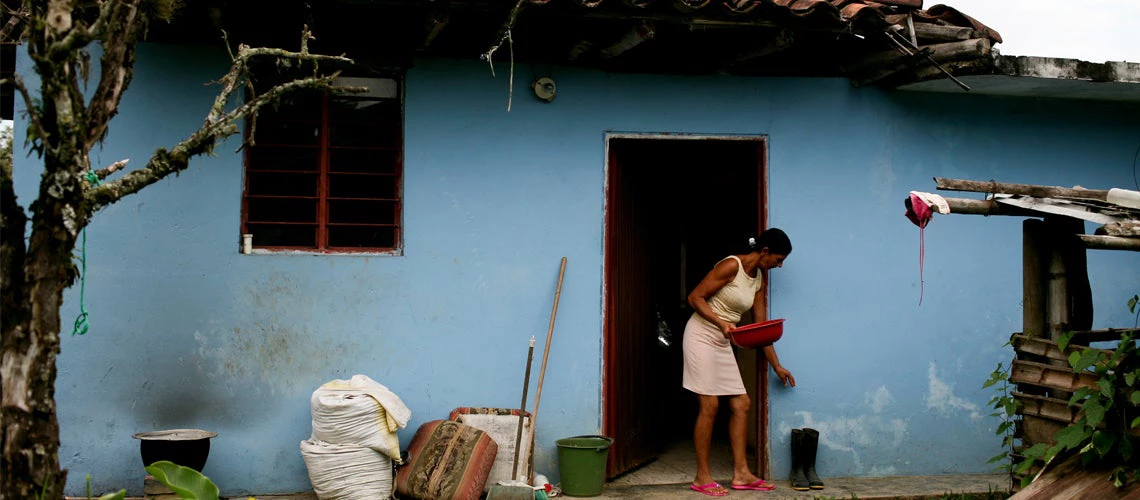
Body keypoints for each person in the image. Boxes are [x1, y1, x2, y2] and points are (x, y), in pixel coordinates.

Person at [683, 228, 795, 497]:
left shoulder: (758, 281)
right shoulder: (731, 265)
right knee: (709, 404)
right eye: (778, 260)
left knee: (741, 403)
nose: (779, 266)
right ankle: (702, 477)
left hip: (723, 340)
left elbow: (761, 329)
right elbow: (695, 297)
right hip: (701, 334)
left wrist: (776, 366)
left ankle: (742, 474)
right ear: (765, 252)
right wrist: (721, 322)